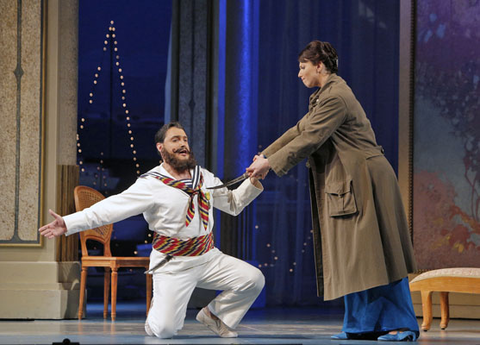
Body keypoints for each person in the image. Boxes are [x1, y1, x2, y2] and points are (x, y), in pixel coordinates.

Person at [247, 40, 419, 341]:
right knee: (357, 258)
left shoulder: (335, 96)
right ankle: (362, 325)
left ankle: (403, 325)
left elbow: (310, 138)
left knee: (380, 253)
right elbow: (299, 130)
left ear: (319, 66)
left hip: (366, 180)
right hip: (351, 179)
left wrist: (270, 165)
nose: (299, 74)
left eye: (303, 67)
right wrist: (265, 156)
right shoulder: (323, 97)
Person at [40, 121, 265, 339]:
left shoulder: (203, 177)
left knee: (253, 279)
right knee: (166, 330)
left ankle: (214, 315)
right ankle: (157, 313)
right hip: (173, 262)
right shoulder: (151, 184)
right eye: (175, 140)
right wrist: (69, 223)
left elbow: (233, 204)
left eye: (185, 139)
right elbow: (110, 209)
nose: (182, 144)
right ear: (161, 148)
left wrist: (253, 181)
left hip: (208, 257)